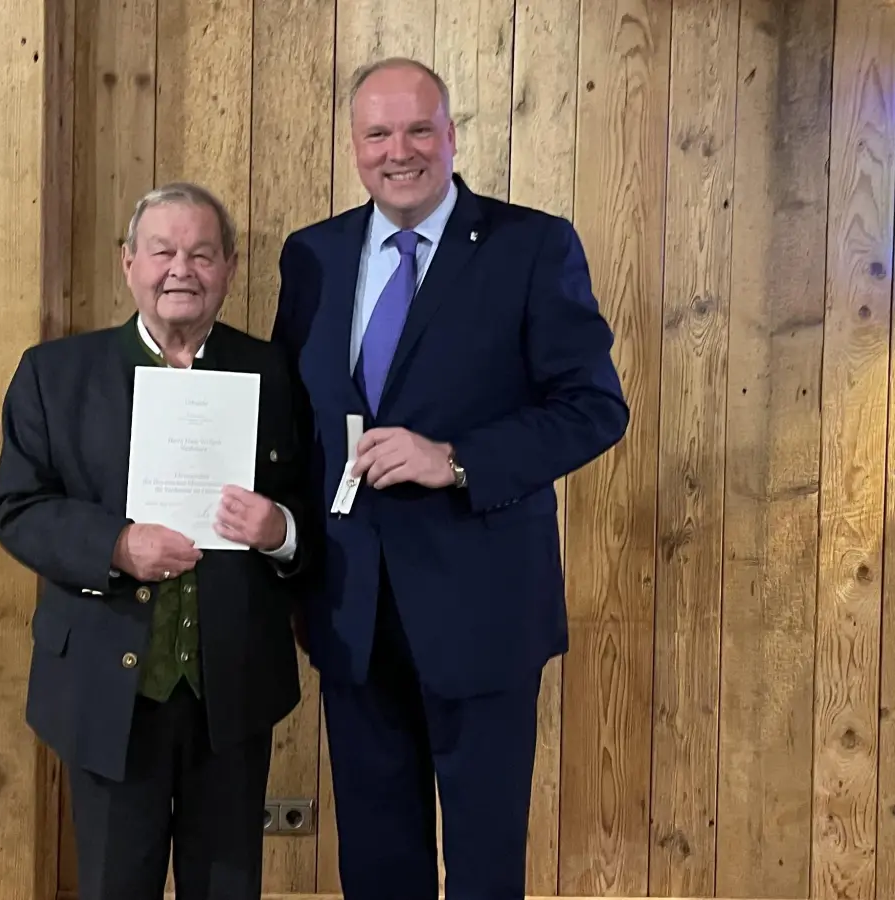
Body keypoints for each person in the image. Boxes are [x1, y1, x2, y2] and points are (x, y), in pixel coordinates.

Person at [268, 57, 629, 899]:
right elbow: (294, 423)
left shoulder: (532, 246)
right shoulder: (312, 255)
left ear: (452, 135)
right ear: (354, 146)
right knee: (376, 856)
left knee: (483, 860)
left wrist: (456, 460)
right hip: (351, 608)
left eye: (418, 129)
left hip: (484, 608)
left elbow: (593, 408)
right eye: (378, 133)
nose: (400, 150)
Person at [0, 182, 312, 900]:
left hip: (234, 692)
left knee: (228, 888)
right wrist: (117, 546)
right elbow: (16, 508)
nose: (180, 270)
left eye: (201, 254)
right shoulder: (55, 374)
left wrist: (279, 531)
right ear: (128, 262)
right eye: (162, 251)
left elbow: (315, 513)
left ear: (228, 267)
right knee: (113, 886)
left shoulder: (275, 373)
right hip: (104, 691)